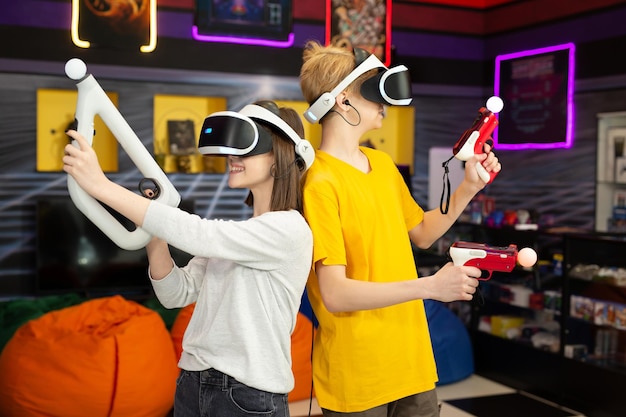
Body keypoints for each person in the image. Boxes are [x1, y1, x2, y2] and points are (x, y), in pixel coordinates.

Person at [63, 100, 315, 417]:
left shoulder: (289, 230)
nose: (233, 157)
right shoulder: (239, 238)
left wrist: (100, 185)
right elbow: (174, 293)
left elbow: (198, 233)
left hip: (246, 396)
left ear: (281, 160)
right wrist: (154, 235)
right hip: (193, 385)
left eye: (247, 147)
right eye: (233, 148)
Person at [298, 41, 501, 416]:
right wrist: (431, 287)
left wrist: (469, 187)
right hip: (358, 374)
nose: (384, 104)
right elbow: (336, 294)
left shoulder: (382, 163)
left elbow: (422, 232)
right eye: (374, 92)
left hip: (412, 361)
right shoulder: (319, 182)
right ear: (343, 101)